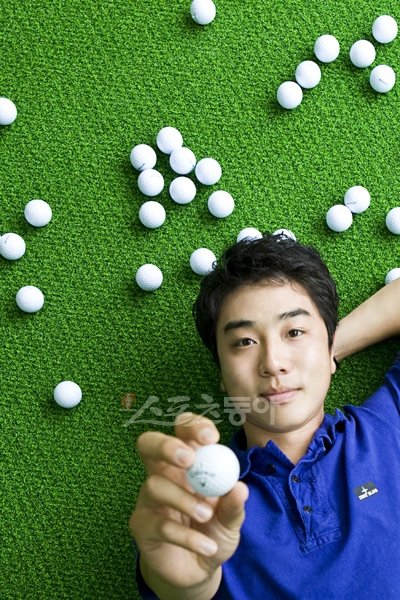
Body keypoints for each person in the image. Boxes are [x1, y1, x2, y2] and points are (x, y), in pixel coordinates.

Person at [129, 233, 400, 599]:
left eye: (295, 331)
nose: (273, 362)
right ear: (222, 374)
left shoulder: (389, 421)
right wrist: (186, 584)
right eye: (244, 341)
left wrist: (327, 353)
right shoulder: (199, 506)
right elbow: (181, 580)